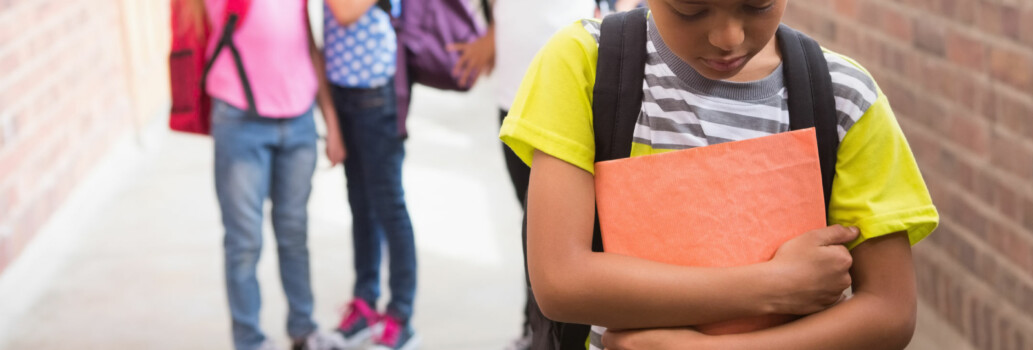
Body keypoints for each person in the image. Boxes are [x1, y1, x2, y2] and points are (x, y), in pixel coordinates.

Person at [498, 0, 940, 348]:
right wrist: (770, 285)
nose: (728, 37)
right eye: (691, 9)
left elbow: (890, 312)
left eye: (757, 6)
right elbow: (560, 281)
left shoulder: (844, 98)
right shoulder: (586, 65)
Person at [448, 0, 596, 349]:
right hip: (513, 95)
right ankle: (535, 331)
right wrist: (493, 33)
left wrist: (617, 21)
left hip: (574, 93)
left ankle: (548, 334)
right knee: (535, 226)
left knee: (561, 230)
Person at [199, 0, 346, 348]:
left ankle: (304, 328)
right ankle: (249, 339)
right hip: (240, 117)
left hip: (298, 120)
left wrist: (331, 122)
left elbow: (307, 41)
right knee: (244, 241)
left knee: (294, 232)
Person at [321, 0, 421, 349]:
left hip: (378, 92)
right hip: (342, 87)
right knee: (360, 207)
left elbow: (344, 11)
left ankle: (401, 315)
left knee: (389, 207)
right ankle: (364, 304)